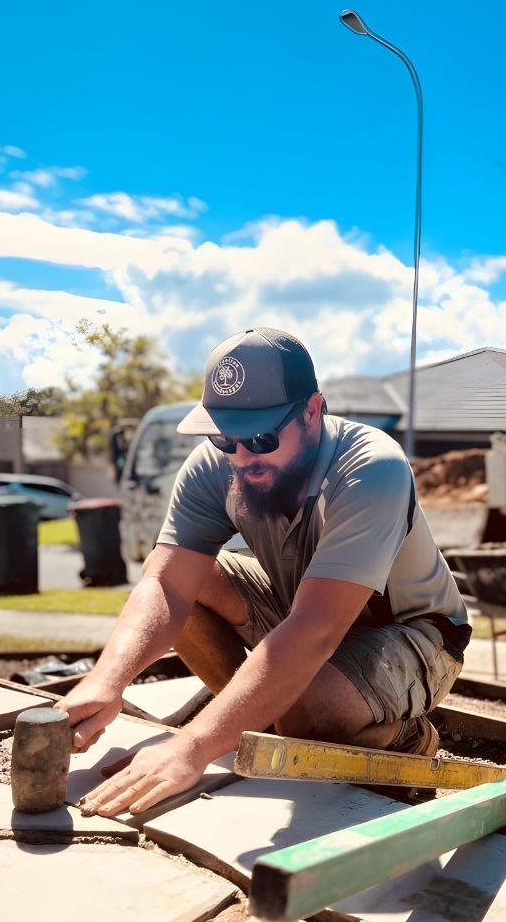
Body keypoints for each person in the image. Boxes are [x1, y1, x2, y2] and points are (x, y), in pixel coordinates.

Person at [63, 327, 470, 818]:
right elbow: (167, 583)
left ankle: (404, 738)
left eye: (260, 437)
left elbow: (313, 630)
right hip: (304, 607)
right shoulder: (219, 465)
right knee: (195, 588)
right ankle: (260, 719)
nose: (240, 456)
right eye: (223, 437)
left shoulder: (371, 468)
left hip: (413, 632)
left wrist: (192, 746)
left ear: (313, 410)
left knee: (305, 714)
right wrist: (106, 681)